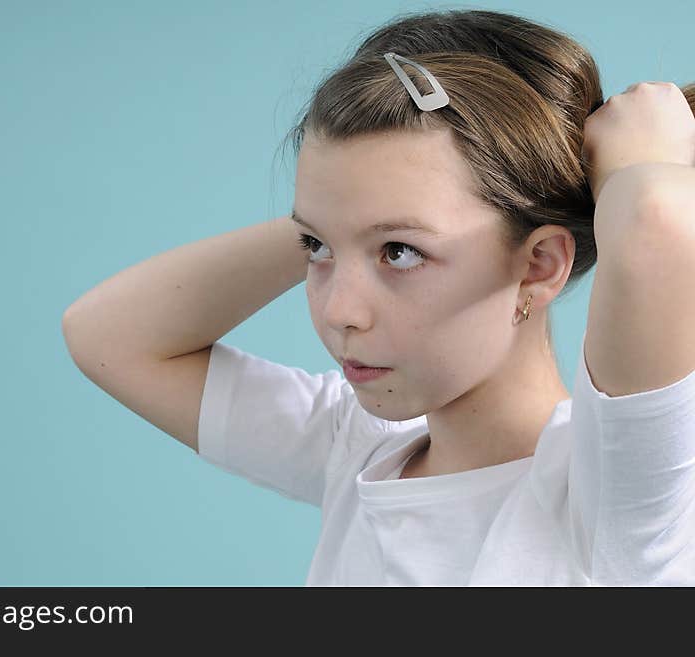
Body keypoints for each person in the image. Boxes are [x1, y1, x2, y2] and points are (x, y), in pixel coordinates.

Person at [62, 9, 695, 585]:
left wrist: (644, 156)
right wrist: (351, 216)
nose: (340, 313)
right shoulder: (359, 447)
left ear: (539, 264)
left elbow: (657, 222)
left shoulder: (611, 499)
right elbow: (108, 338)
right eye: (314, 248)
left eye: (400, 253)